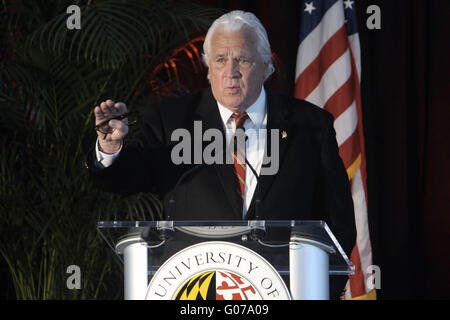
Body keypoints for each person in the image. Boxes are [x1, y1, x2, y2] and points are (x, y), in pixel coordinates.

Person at [87, 10, 356, 299]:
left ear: (267, 66)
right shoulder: (174, 120)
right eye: (220, 60)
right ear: (207, 69)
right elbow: (126, 178)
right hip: (195, 293)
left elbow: (339, 223)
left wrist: (318, 291)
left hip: (287, 291)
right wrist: (111, 147)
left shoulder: (310, 125)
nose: (231, 72)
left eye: (242, 59)